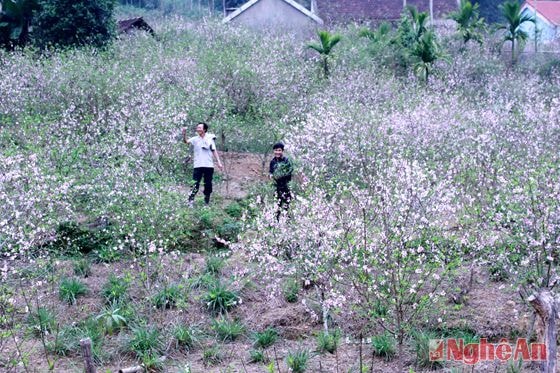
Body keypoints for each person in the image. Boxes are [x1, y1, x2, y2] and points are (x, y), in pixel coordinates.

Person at [182, 122, 223, 206]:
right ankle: (190, 201)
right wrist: (184, 134)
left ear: (204, 129)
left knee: (208, 184)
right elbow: (186, 141)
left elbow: (214, 150)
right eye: (197, 128)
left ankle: (206, 202)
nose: (198, 129)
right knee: (195, 183)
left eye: (200, 128)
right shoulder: (195, 139)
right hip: (198, 165)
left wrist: (219, 162)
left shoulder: (210, 138)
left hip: (208, 165)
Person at [269, 142, 293, 215]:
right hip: (277, 187)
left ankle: (286, 222)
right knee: (277, 206)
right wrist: (271, 175)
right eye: (276, 150)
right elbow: (271, 172)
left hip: (286, 186)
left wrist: (281, 175)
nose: (277, 152)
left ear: (282, 151)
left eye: (279, 150)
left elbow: (289, 173)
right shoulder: (272, 162)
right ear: (274, 151)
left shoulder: (286, 161)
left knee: (286, 206)